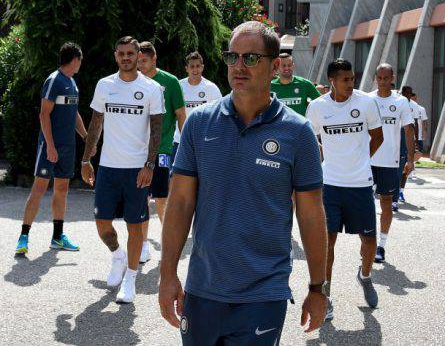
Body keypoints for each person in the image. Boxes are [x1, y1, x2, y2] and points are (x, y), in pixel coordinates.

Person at [159, 21, 328, 345]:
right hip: (203, 290)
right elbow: (180, 203)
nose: (238, 66)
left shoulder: (298, 133)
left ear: (275, 66)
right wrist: (167, 275)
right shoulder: (199, 123)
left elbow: (310, 214)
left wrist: (317, 288)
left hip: (263, 295)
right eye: (232, 57)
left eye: (250, 58)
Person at [81, 36, 165, 303]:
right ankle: (117, 255)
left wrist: (150, 165)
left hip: (136, 169)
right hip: (107, 166)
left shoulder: (151, 88)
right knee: (102, 224)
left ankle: (130, 279)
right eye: (122, 53)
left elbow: (157, 129)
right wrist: (85, 160)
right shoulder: (105, 85)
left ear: (139, 56)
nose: (126, 57)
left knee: (135, 226)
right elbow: (96, 123)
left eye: (131, 53)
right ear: (116, 55)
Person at [306, 58, 384, 318]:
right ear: (332, 81)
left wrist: (361, 161)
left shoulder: (365, 102)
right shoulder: (317, 108)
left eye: (352, 79)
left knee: (369, 239)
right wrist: (323, 162)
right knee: (328, 242)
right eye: (345, 80)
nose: (351, 84)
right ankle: (326, 296)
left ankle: (365, 275)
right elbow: (310, 141)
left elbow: (378, 136)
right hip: (330, 185)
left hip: (360, 184)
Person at [16, 42, 85, 254]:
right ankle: (23, 237)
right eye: (80, 60)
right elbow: (43, 114)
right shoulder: (54, 80)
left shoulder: (72, 82)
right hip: (50, 146)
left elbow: (73, 113)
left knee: (62, 189)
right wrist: (51, 147)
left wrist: (86, 136)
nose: (81, 64)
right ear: (75, 60)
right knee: (39, 189)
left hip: (68, 147)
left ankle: (57, 237)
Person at [137, 41, 186, 264]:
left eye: (144, 61)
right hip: (137, 149)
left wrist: (187, 146)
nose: (140, 66)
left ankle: (168, 242)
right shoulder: (134, 81)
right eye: (138, 62)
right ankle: (144, 243)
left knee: (161, 197)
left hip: (163, 147)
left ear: (154, 59)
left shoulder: (170, 82)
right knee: (140, 197)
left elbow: (180, 114)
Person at [368, 64, 415, 263]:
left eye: (386, 78)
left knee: (386, 202)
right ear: (375, 78)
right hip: (367, 160)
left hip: (390, 162)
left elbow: (409, 130)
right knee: (366, 204)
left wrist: (411, 159)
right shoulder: (367, 99)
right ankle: (368, 243)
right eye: (380, 78)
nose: (383, 82)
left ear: (392, 78)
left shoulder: (401, 102)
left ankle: (381, 245)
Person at [173, 51, 222, 163]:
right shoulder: (178, 86)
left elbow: (218, 115)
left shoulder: (211, 88)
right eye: (192, 66)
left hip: (202, 141)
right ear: (186, 68)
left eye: (198, 66)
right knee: (175, 176)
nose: (195, 69)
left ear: (202, 67)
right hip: (179, 140)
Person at [410, 93, 428, 160]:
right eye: (412, 99)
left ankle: (414, 162)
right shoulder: (405, 108)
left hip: (419, 135)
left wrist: (424, 132)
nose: (414, 101)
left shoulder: (421, 109)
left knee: (419, 151)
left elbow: (425, 121)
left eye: (415, 99)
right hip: (409, 135)